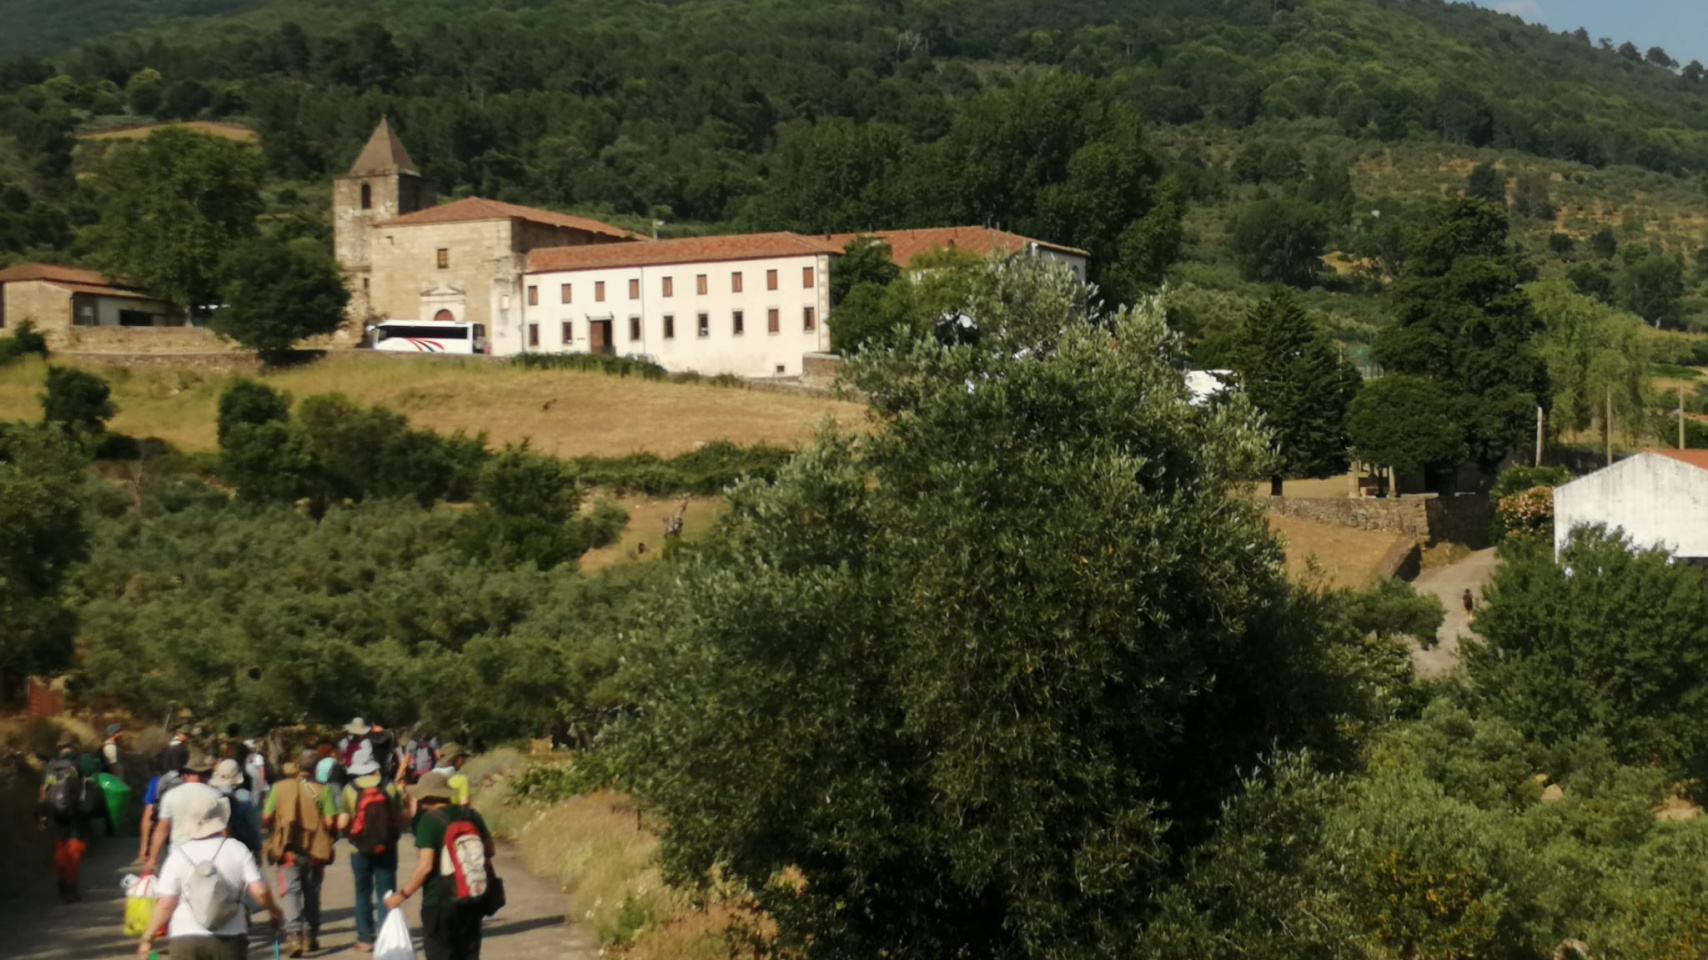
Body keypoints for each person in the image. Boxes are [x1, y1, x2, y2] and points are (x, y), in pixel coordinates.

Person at [135, 786, 284, 960]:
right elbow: (260, 891)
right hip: (230, 935)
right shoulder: (237, 849)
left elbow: (166, 903)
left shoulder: (178, 855)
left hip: (185, 936)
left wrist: (148, 938)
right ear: (221, 818)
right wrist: (275, 912)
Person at [385, 771, 495, 960]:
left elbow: (426, 866)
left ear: (426, 796)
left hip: (438, 901)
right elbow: (490, 850)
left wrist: (402, 895)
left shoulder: (429, 822)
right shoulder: (472, 815)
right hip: (471, 896)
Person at [264, 749, 338, 957]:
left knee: (289, 893)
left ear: (298, 766)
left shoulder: (279, 788)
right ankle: (311, 935)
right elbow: (331, 822)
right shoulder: (324, 790)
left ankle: (294, 934)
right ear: (315, 768)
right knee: (312, 893)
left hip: (288, 850)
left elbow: (267, 817)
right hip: (315, 851)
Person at [339, 754, 403, 952]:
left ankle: (365, 939)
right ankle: (387, 937)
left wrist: (348, 834)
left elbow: (342, 822)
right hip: (387, 846)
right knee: (387, 891)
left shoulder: (350, 789)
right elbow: (400, 816)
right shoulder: (388, 786)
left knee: (362, 892)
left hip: (358, 849)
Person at [143, 749, 220, 875]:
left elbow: (162, 829)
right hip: (209, 856)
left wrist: (152, 859)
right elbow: (223, 830)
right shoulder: (216, 795)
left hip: (179, 854)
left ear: (185, 775)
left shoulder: (171, 796)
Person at [39, 736, 91, 903]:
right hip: (75, 812)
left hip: (55, 812)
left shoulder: (51, 765)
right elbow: (90, 780)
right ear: (72, 746)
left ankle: (62, 886)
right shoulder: (79, 762)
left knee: (61, 850)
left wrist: (43, 814)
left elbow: (43, 791)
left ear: (59, 747)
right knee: (74, 850)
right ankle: (72, 888)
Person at [211, 760, 263, 855]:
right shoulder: (244, 796)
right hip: (241, 846)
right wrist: (257, 848)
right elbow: (252, 825)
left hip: (217, 847)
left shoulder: (213, 794)